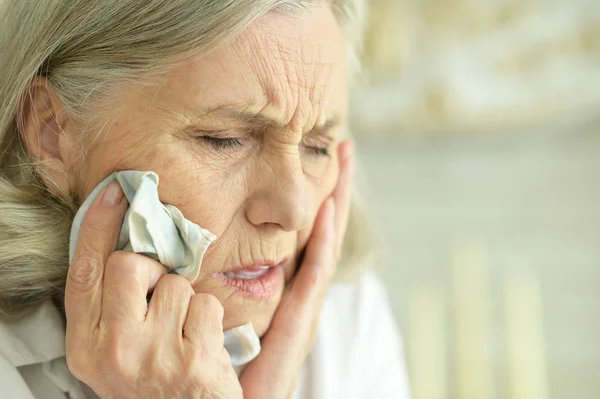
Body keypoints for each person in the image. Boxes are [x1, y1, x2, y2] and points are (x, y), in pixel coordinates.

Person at [0, 1, 411, 398]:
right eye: (224, 140)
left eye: (317, 147)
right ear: (53, 134)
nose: (294, 211)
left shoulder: (348, 316)